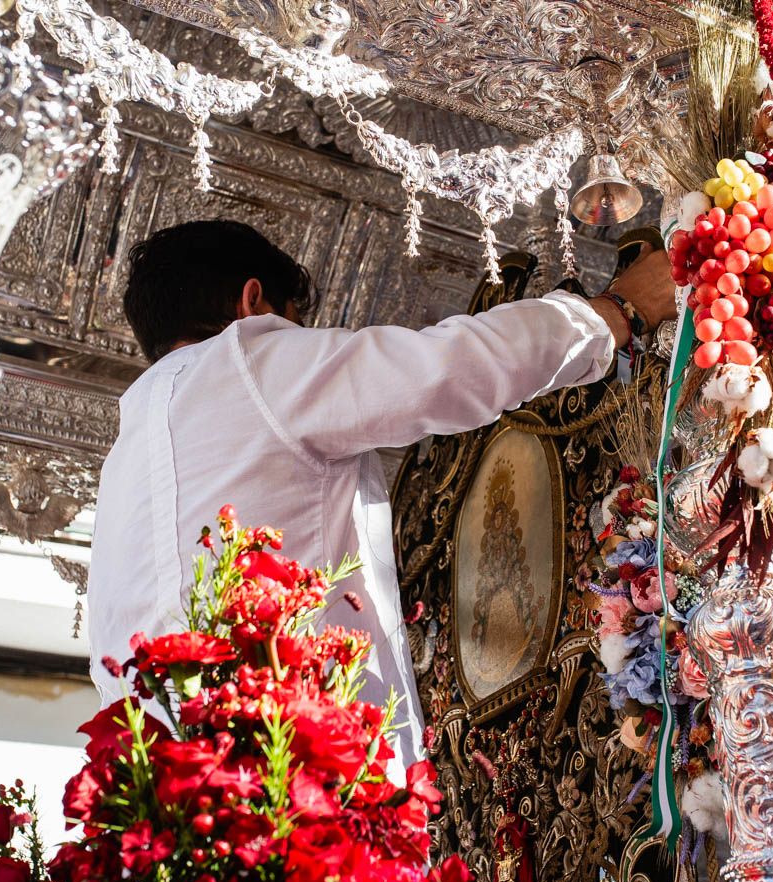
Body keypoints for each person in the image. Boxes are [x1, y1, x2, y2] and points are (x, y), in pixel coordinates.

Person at [87, 219, 677, 773]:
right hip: (288, 777)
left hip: (168, 808)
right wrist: (613, 313)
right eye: (298, 322)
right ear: (252, 302)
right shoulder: (247, 361)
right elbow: (441, 370)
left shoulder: (121, 469)